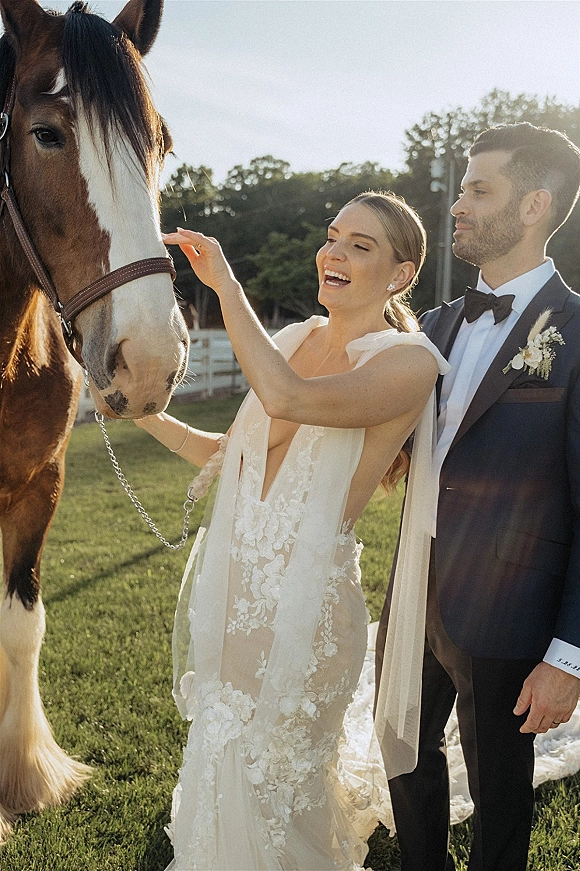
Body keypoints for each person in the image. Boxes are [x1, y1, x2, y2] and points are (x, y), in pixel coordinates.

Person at [135, 191, 448, 870]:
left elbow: (287, 397)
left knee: (275, 793)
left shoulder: (410, 362)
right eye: (333, 236)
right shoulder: (294, 338)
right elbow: (236, 450)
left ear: (400, 273)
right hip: (231, 602)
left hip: (307, 616)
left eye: (359, 246)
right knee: (219, 757)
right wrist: (138, 409)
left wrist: (226, 284)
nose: (332, 253)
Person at [375, 123, 580, 871]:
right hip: (411, 588)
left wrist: (570, 655)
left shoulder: (578, 334)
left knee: (498, 788)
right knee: (402, 746)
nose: (456, 206)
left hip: (507, 605)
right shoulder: (430, 327)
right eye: (461, 188)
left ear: (534, 206)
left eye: (477, 190)